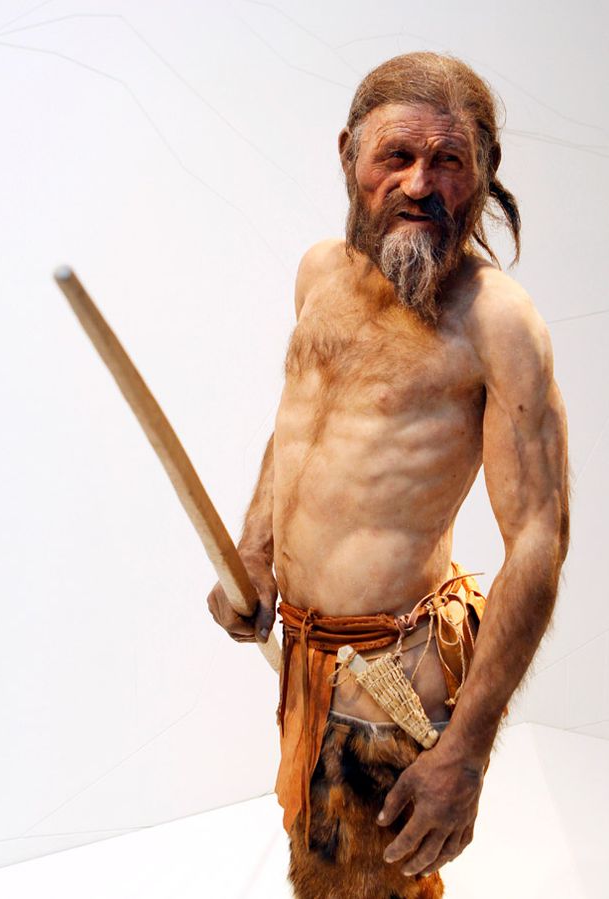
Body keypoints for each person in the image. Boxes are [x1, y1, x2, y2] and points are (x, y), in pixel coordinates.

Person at [206, 51, 570, 899]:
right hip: (309, 661)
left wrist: (465, 750)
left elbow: (538, 540)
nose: (419, 184)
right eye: (396, 156)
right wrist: (252, 554)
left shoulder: (495, 321)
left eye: (448, 160)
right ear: (348, 155)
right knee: (326, 867)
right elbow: (296, 429)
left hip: (391, 678)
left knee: (360, 889)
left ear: (483, 170)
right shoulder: (318, 274)